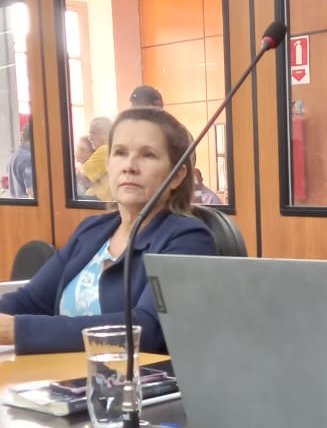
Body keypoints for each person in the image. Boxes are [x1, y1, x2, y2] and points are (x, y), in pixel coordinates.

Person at [0, 108, 214, 354]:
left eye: (148, 155)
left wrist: (16, 330)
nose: (129, 166)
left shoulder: (189, 238)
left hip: (134, 377)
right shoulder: (91, 229)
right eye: (120, 153)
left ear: (177, 176)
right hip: (59, 375)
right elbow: (30, 301)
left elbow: (147, 329)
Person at [78, 116, 112, 200]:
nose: (89, 137)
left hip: (97, 200)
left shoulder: (105, 149)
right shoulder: (110, 149)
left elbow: (83, 176)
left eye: (93, 133)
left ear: (106, 133)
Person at [7, 122, 34, 198]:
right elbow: (31, 191)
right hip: (29, 204)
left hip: (17, 203)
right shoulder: (28, 158)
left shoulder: (15, 155)